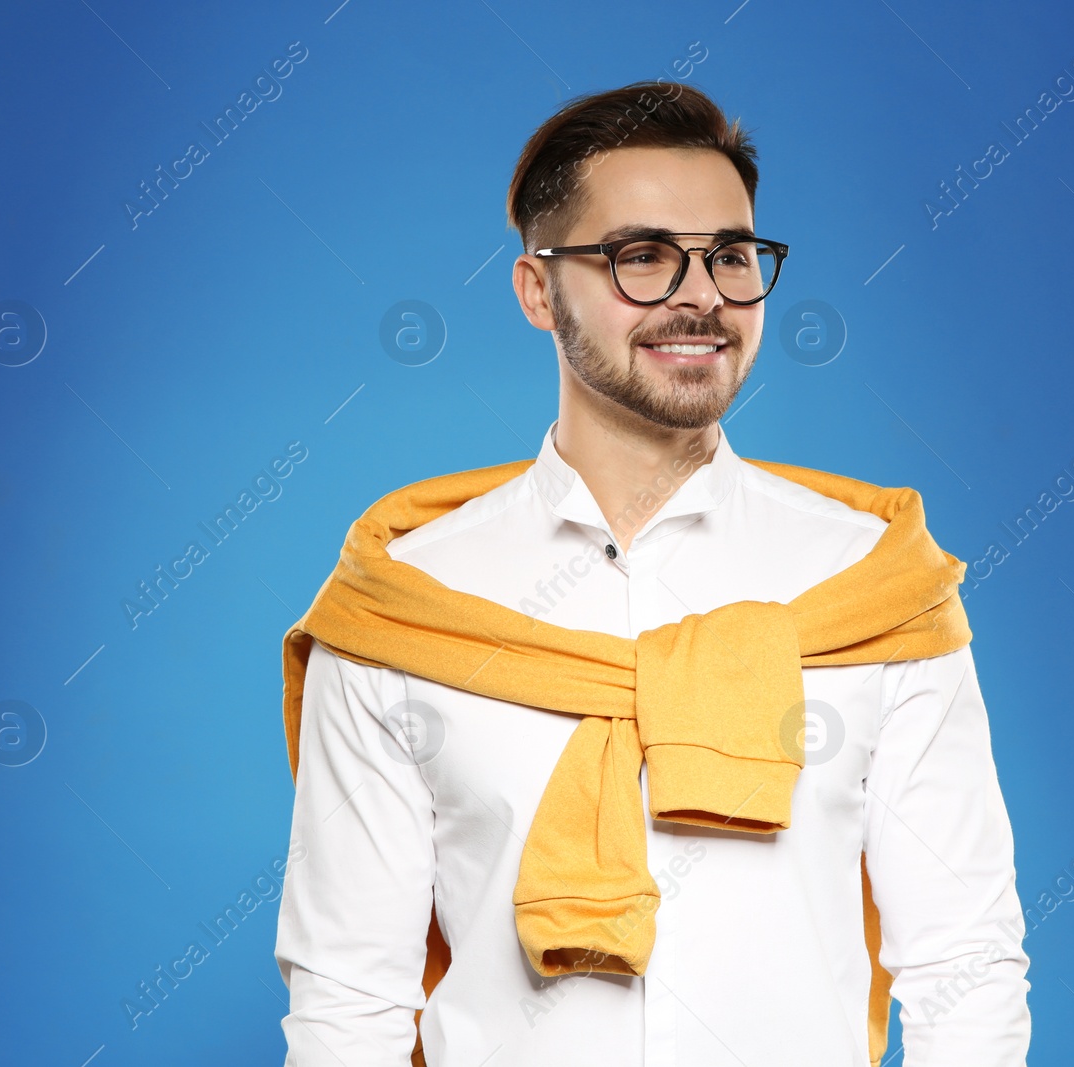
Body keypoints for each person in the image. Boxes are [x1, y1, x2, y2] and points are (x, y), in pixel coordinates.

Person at [273, 80, 1031, 1066]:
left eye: (729, 255)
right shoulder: (410, 607)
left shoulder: (871, 587)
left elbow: (963, 964)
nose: (702, 294)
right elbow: (348, 1001)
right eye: (641, 256)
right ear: (536, 290)